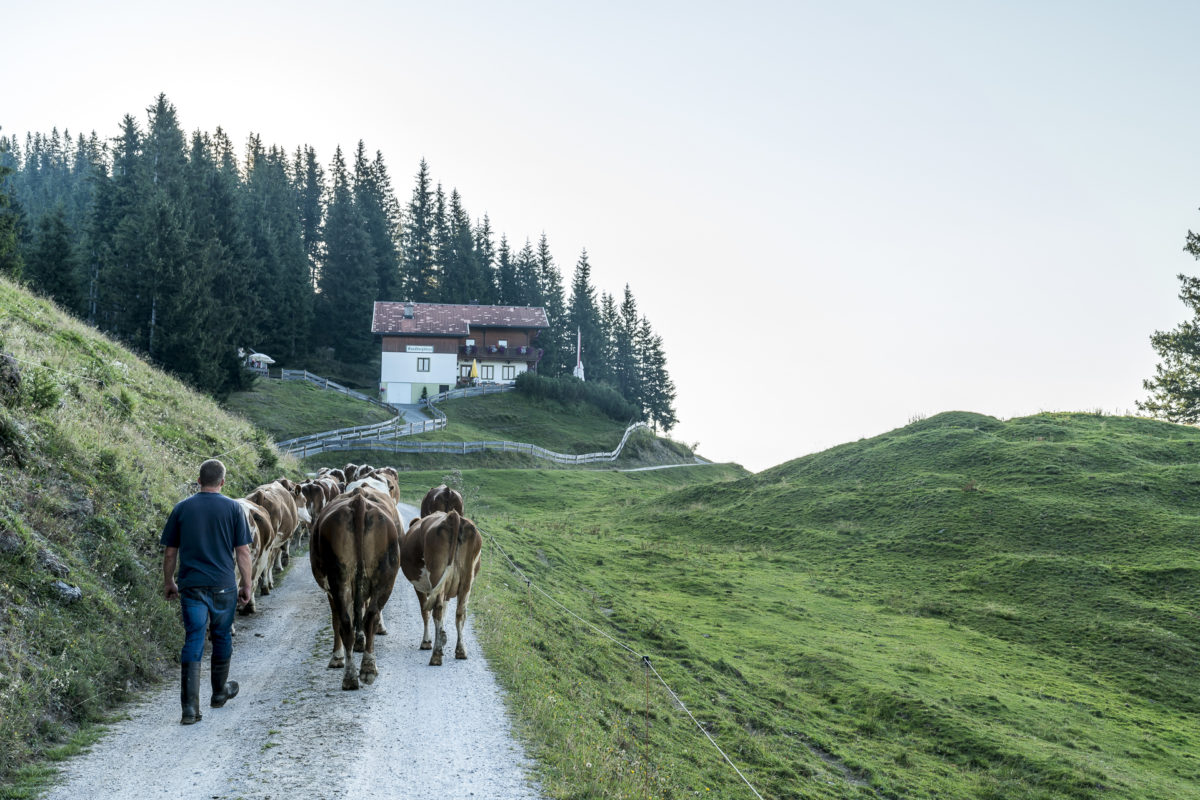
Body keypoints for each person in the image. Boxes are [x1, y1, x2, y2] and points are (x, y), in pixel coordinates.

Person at [161, 458, 254, 725]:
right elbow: (243, 552)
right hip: (224, 585)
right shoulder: (234, 509)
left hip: (191, 586)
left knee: (194, 639)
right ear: (223, 482)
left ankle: (190, 709)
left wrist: (169, 582)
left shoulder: (181, 508)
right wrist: (246, 585)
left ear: (198, 480)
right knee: (222, 635)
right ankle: (219, 693)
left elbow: (170, 552)